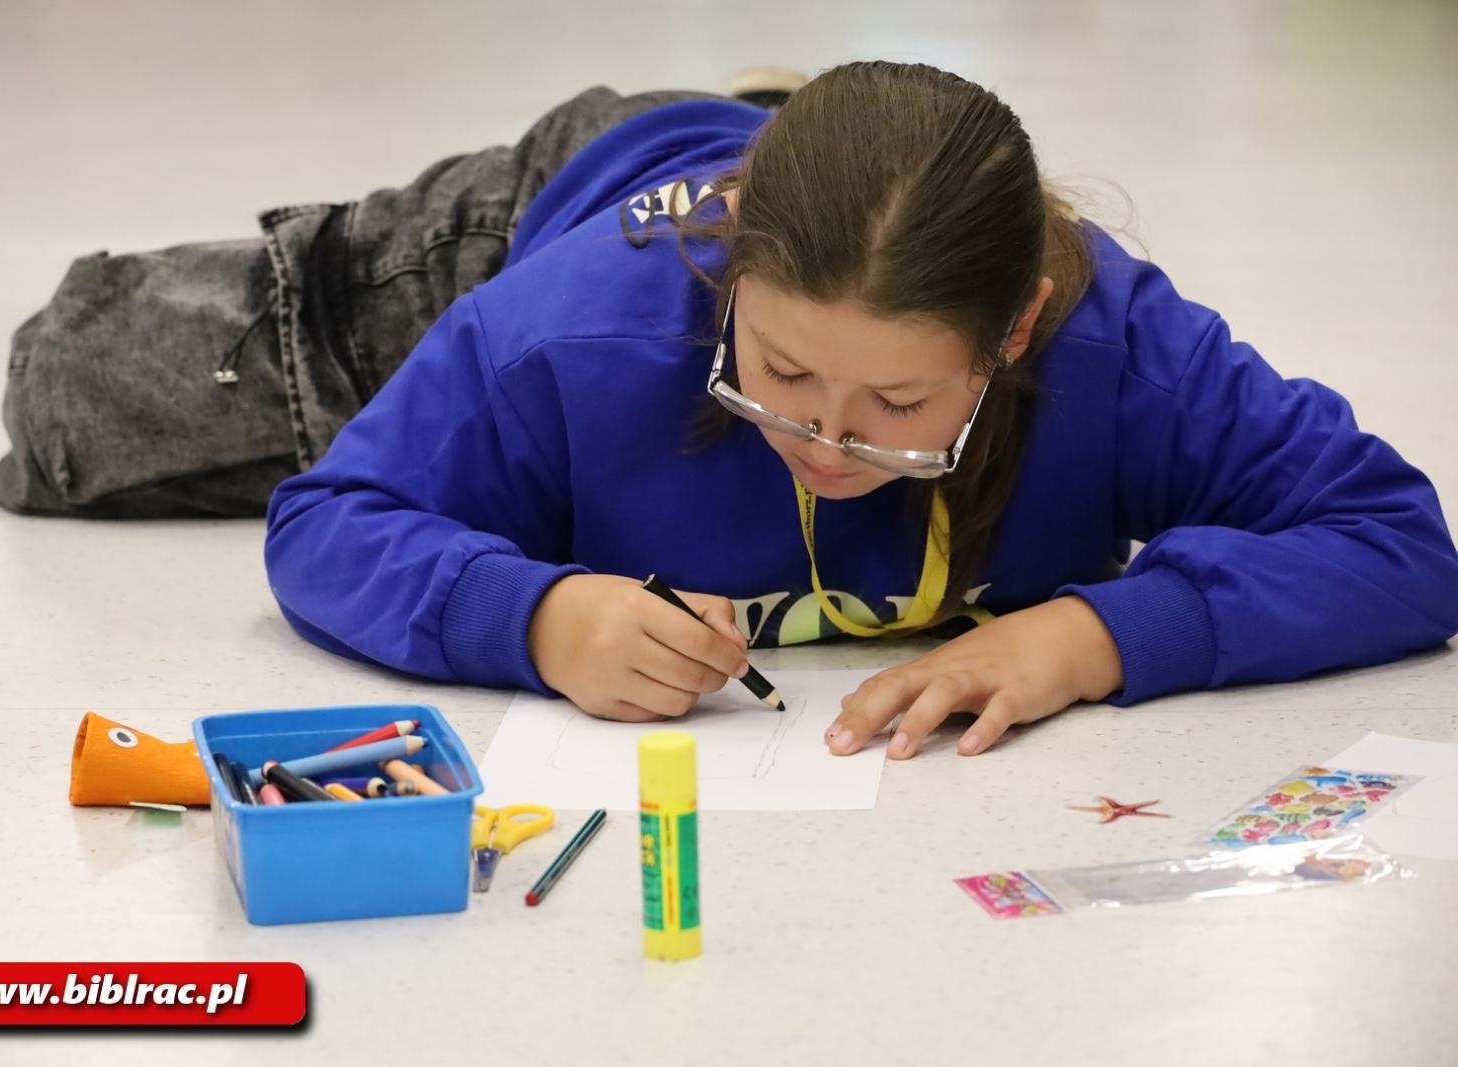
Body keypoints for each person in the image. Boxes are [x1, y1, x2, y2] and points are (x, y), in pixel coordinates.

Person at [262, 60, 1458, 760]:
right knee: (79, 409)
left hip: (826, 199)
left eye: (895, 398)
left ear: (1017, 328)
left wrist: (1094, 639)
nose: (826, 441)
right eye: (780, 374)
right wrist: (532, 616)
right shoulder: (571, 331)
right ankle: (752, 109)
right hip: (557, 197)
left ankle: (787, 113)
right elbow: (325, 520)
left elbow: (1399, 542)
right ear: (731, 282)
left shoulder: (1123, 347)